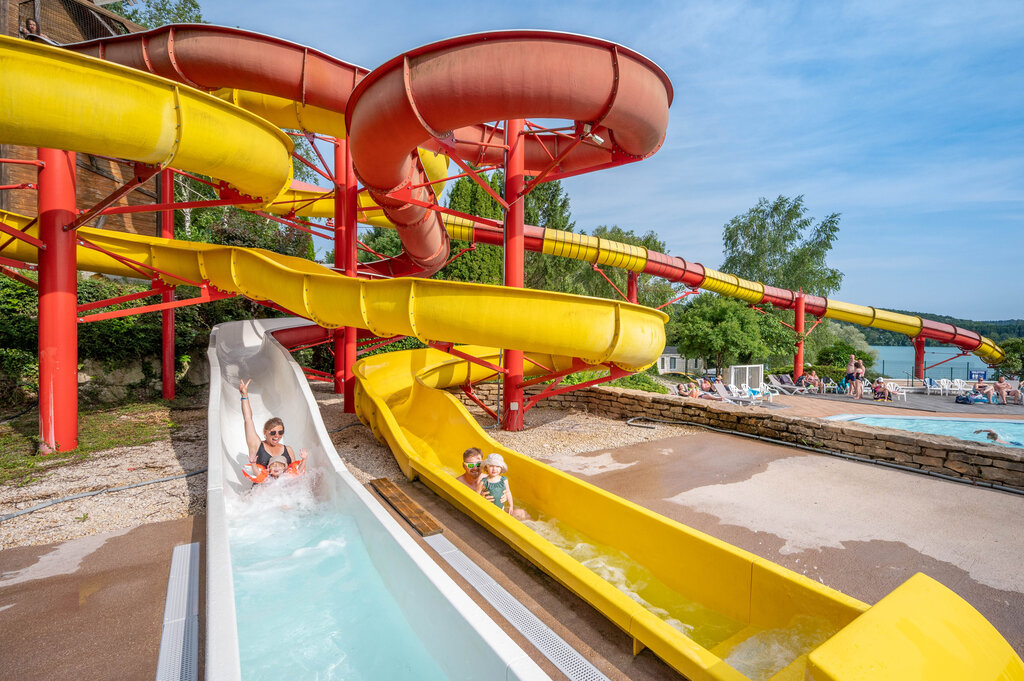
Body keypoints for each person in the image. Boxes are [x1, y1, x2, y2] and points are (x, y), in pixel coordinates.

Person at [239, 379, 307, 480]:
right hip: (263, 489)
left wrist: (304, 460)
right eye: (273, 432)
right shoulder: (257, 445)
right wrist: (244, 395)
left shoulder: (288, 450)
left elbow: (295, 473)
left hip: (284, 489)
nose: (277, 435)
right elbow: (248, 420)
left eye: (280, 432)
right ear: (265, 432)